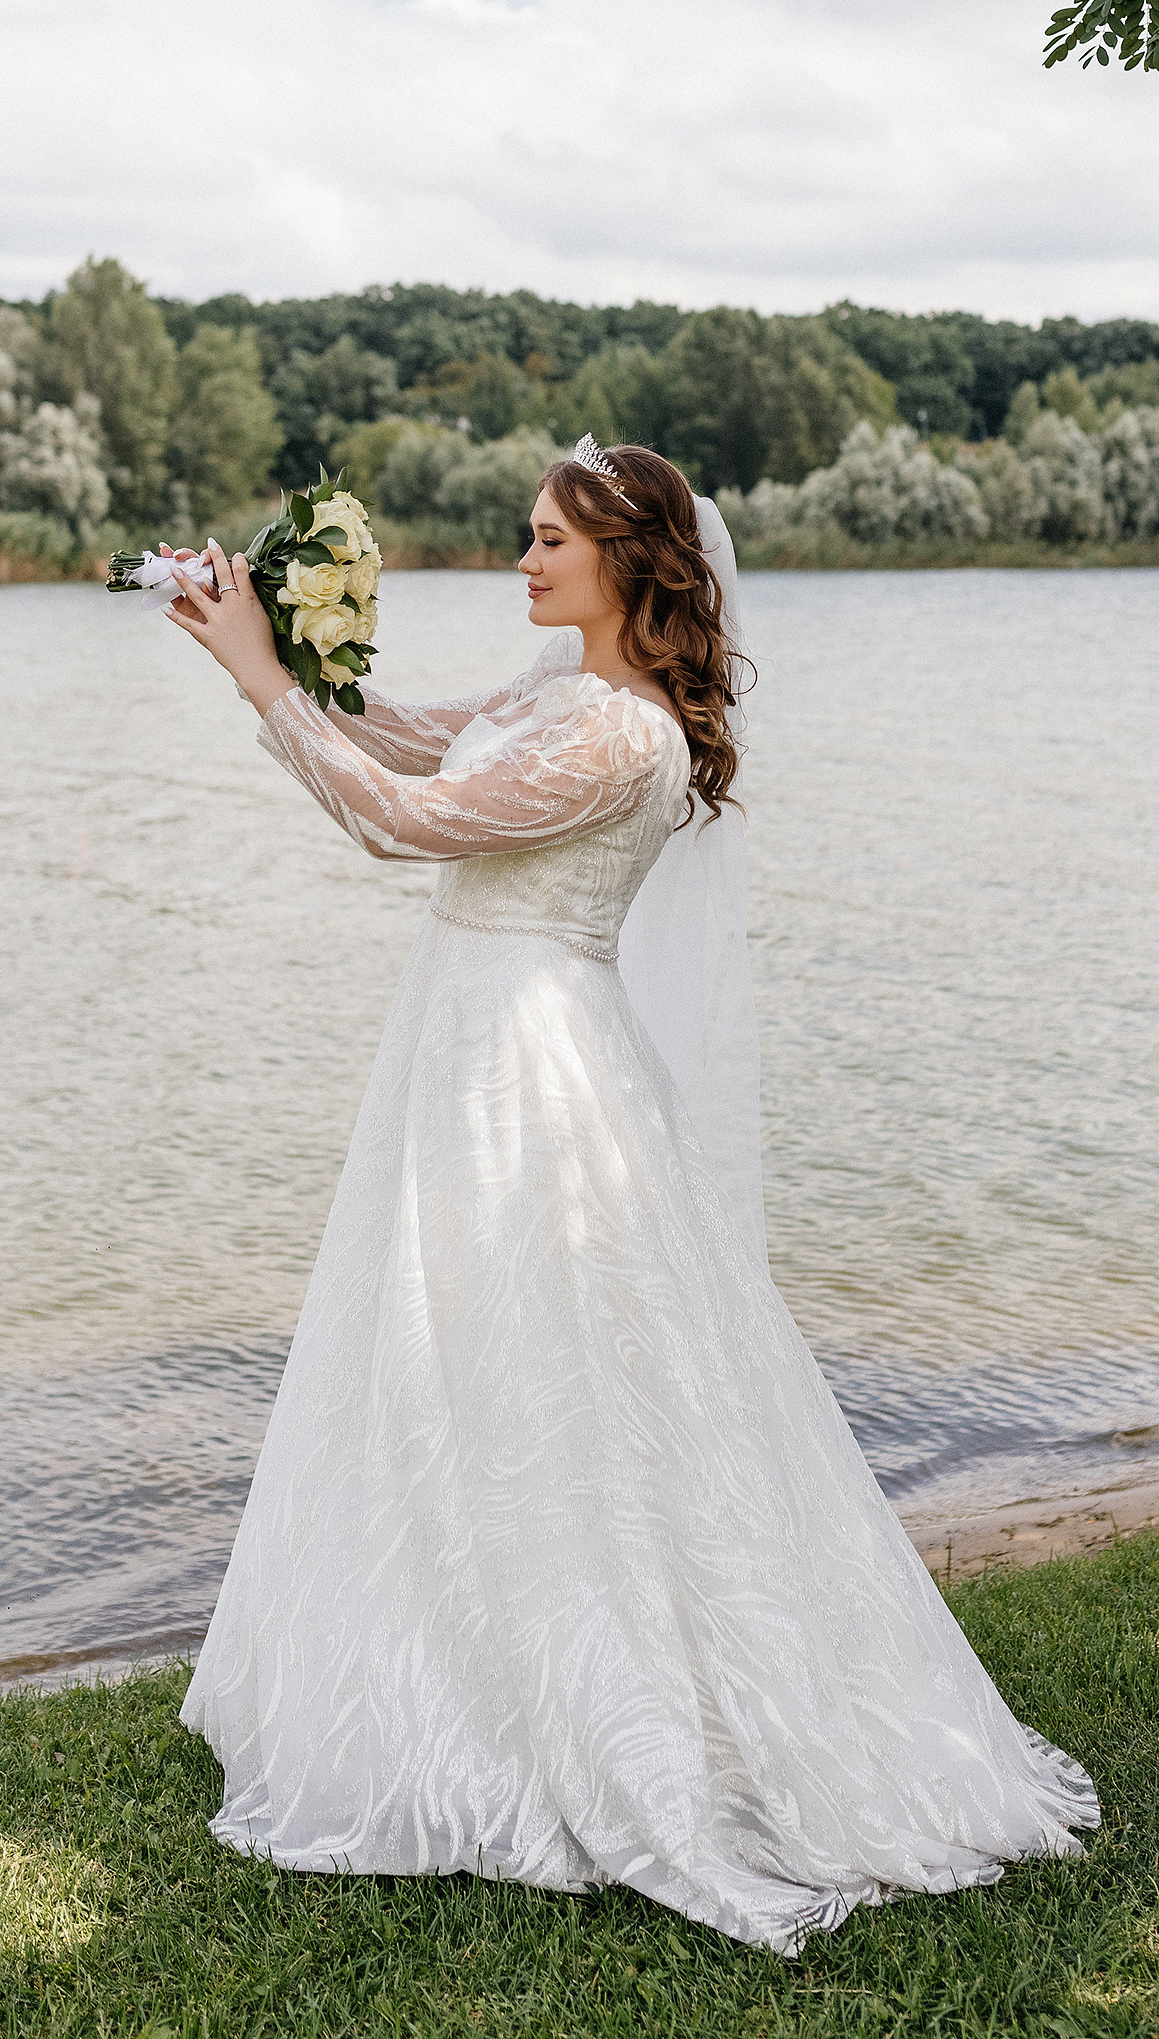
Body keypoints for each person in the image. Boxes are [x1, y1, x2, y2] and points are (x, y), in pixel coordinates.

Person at [164, 436, 1096, 1954]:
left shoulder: (630, 739)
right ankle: (446, 1665)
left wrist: (270, 681)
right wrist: (265, 645)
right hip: (466, 1051)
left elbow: (403, 825)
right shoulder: (555, 698)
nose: (523, 559)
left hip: (535, 1075)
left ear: (628, 558)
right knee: (448, 1367)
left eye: (548, 540)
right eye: (528, 536)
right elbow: (407, 744)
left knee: (554, 1386)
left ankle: (601, 1713)